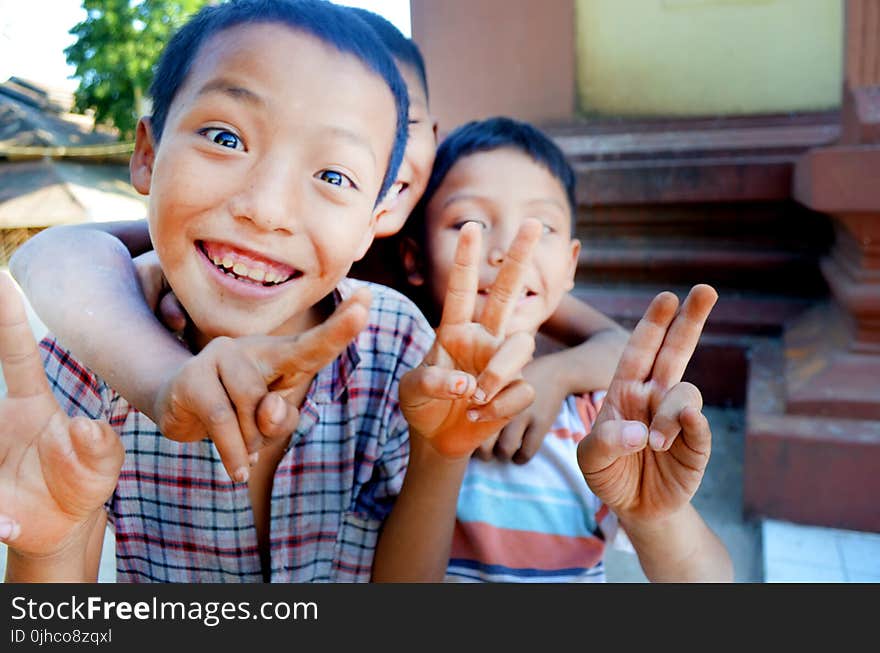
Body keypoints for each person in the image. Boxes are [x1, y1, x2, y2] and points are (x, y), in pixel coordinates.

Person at [0, 0, 539, 583]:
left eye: (333, 176)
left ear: (373, 219)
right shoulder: (89, 359)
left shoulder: (395, 347)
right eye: (226, 138)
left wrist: (439, 456)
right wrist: (43, 552)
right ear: (147, 156)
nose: (266, 209)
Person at [9, 7, 628, 475]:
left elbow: (614, 342)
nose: (270, 209)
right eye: (227, 138)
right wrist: (160, 371)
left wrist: (555, 377)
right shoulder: (248, 234)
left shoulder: (454, 242)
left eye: (404, 123)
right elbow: (56, 255)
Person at [378, 117, 734, 582]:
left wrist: (656, 516)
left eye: (542, 227)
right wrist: (438, 454)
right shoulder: (394, 398)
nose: (508, 249)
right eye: (469, 222)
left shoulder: (598, 420)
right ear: (414, 258)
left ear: (569, 266)